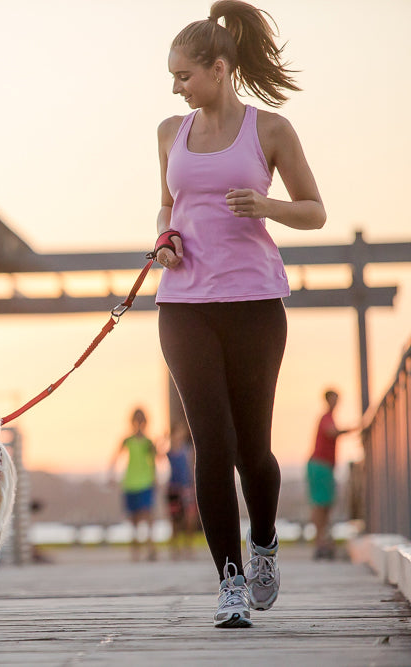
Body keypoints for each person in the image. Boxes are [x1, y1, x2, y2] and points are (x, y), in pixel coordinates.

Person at [153, 1, 326, 628]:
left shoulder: (270, 131)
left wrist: (265, 205)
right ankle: (228, 580)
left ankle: (265, 544)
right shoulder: (170, 133)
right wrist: (165, 241)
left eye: (183, 74)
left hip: (255, 304)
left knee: (253, 447)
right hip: (184, 306)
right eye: (172, 76)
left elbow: (315, 210)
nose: (175, 86)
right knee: (211, 443)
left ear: (219, 69)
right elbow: (165, 210)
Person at [307, 389, 354, 560]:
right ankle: (320, 542)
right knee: (320, 505)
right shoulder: (326, 417)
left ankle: (323, 541)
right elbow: (331, 432)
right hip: (319, 465)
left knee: (325, 505)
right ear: (328, 400)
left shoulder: (330, 417)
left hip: (325, 466)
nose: (336, 402)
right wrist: (350, 430)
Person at [108, 408, 158, 562]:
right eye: (136, 420)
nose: (139, 423)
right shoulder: (127, 440)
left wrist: (155, 479)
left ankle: (151, 549)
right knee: (134, 519)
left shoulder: (149, 442)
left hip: (146, 482)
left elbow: (155, 461)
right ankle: (135, 552)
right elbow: (115, 457)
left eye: (141, 420)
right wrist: (111, 475)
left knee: (148, 515)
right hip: (130, 482)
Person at [165, 424, 196, 560]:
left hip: (187, 487)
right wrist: (164, 437)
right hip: (174, 488)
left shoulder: (189, 450)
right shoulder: (169, 452)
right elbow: (157, 454)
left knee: (190, 518)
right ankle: (175, 548)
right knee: (175, 520)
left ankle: (188, 546)